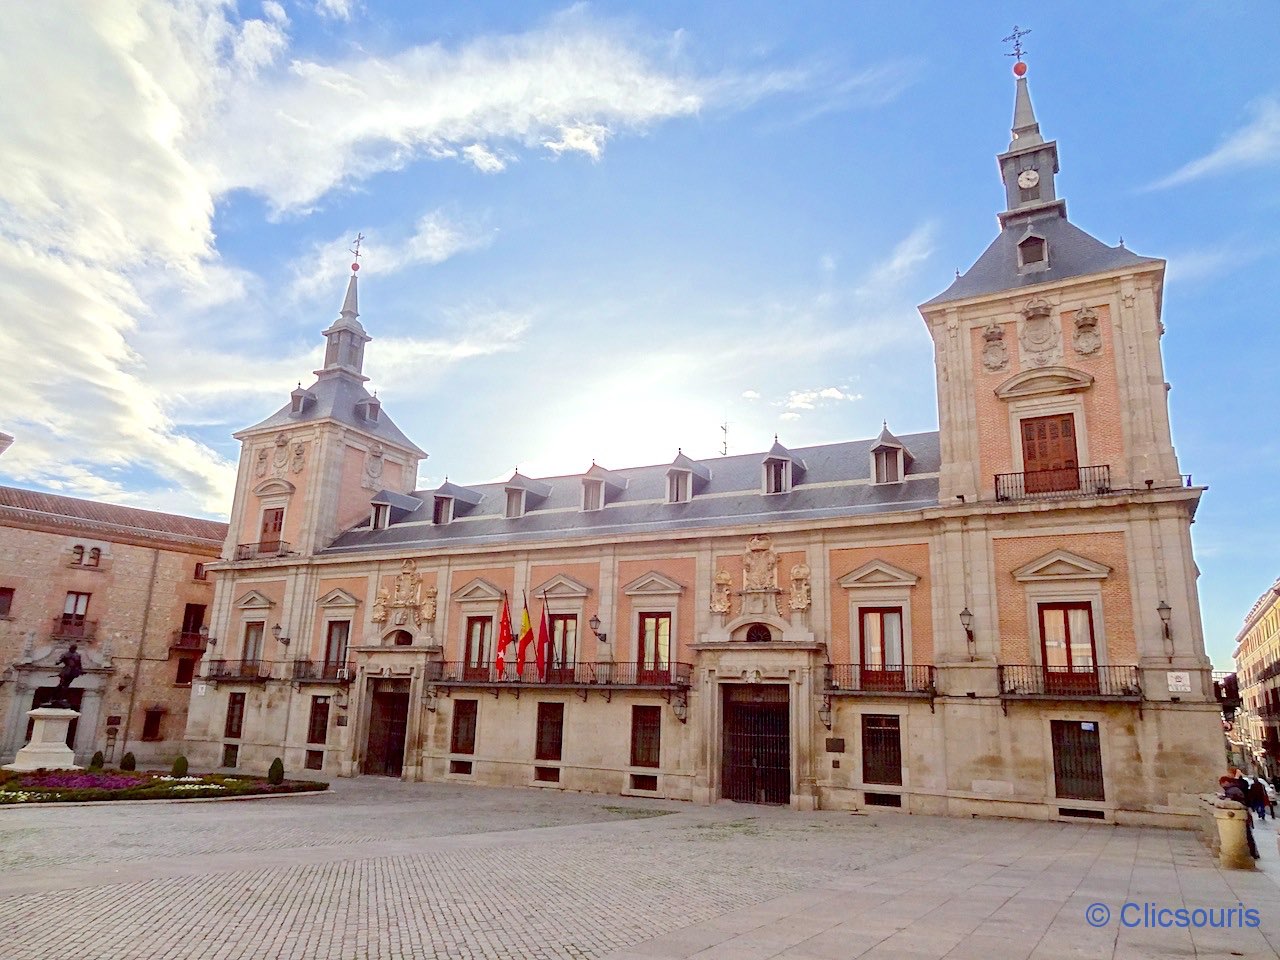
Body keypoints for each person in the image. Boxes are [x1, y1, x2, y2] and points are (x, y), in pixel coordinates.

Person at [1220, 775, 1260, 859]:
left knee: (1246, 835)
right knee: (1248, 834)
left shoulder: (1231, 790)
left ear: (1226, 782)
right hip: (1244, 812)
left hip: (1240, 814)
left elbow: (1230, 799)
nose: (1222, 786)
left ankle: (1251, 853)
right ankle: (1254, 853)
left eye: (1222, 783)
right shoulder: (1235, 788)